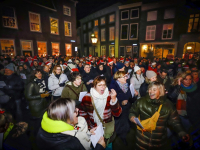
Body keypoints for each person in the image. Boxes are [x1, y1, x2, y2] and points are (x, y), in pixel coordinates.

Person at [129, 82, 190, 150]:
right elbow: (132, 111)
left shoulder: (168, 106)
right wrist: (132, 117)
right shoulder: (141, 101)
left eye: (154, 90)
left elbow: (175, 121)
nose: (151, 91)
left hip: (158, 143)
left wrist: (182, 132)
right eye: (150, 89)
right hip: (141, 141)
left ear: (160, 91)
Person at [36, 98, 106, 150]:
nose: (78, 109)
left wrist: (88, 133)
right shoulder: (67, 144)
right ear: (66, 117)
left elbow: (74, 130)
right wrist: (100, 147)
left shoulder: (44, 129)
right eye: (74, 110)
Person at [79, 76, 122, 149]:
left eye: (104, 85)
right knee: (96, 146)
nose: (103, 87)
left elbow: (117, 114)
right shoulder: (87, 97)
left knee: (108, 146)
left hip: (107, 128)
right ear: (94, 86)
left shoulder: (109, 95)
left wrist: (114, 100)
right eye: (100, 85)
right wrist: (88, 128)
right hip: (94, 130)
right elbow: (83, 114)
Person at [109, 71, 136, 150]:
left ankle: (123, 136)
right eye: (124, 77)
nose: (126, 78)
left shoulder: (127, 85)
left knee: (126, 125)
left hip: (127, 109)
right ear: (118, 78)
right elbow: (111, 101)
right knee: (120, 126)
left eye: (126, 76)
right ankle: (120, 138)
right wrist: (121, 102)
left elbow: (131, 98)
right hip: (119, 110)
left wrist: (134, 94)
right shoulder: (113, 87)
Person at [25, 69, 49, 135]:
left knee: (42, 120)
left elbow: (41, 91)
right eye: (37, 73)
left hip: (43, 104)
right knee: (37, 122)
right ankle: (35, 136)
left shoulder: (42, 82)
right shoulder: (32, 84)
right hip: (36, 106)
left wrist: (45, 93)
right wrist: (41, 96)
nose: (39, 75)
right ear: (34, 75)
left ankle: (41, 134)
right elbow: (28, 96)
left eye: (40, 73)